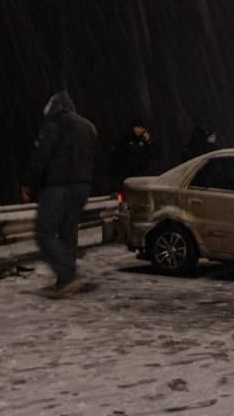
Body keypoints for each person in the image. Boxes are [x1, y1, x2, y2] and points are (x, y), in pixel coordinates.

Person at [20, 91, 97, 298]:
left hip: (58, 185)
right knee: (68, 233)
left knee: (44, 233)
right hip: (82, 186)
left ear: (53, 108)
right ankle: (65, 283)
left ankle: (68, 275)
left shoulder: (56, 123)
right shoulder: (88, 127)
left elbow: (42, 153)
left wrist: (29, 182)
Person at [111, 118, 161, 184]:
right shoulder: (125, 140)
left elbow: (157, 155)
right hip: (130, 177)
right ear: (133, 127)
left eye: (142, 128)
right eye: (138, 127)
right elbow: (116, 159)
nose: (140, 130)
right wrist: (121, 176)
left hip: (145, 176)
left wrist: (149, 141)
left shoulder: (145, 140)